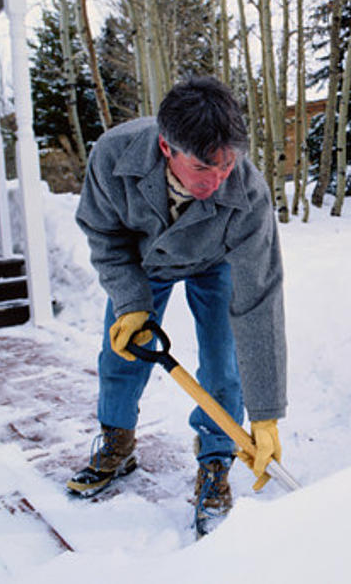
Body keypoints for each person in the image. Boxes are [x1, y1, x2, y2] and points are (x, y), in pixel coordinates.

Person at [66, 76, 287, 536]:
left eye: (228, 164)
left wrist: (265, 414)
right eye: (206, 166)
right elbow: (104, 235)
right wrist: (130, 301)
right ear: (167, 148)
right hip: (143, 264)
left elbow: (259, 300)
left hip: (215, 261)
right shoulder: (113, 156)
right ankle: (117, 442)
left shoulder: (246, 192)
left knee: (223, 366)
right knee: (121, 356)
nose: (220, 178)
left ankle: (216, 462)